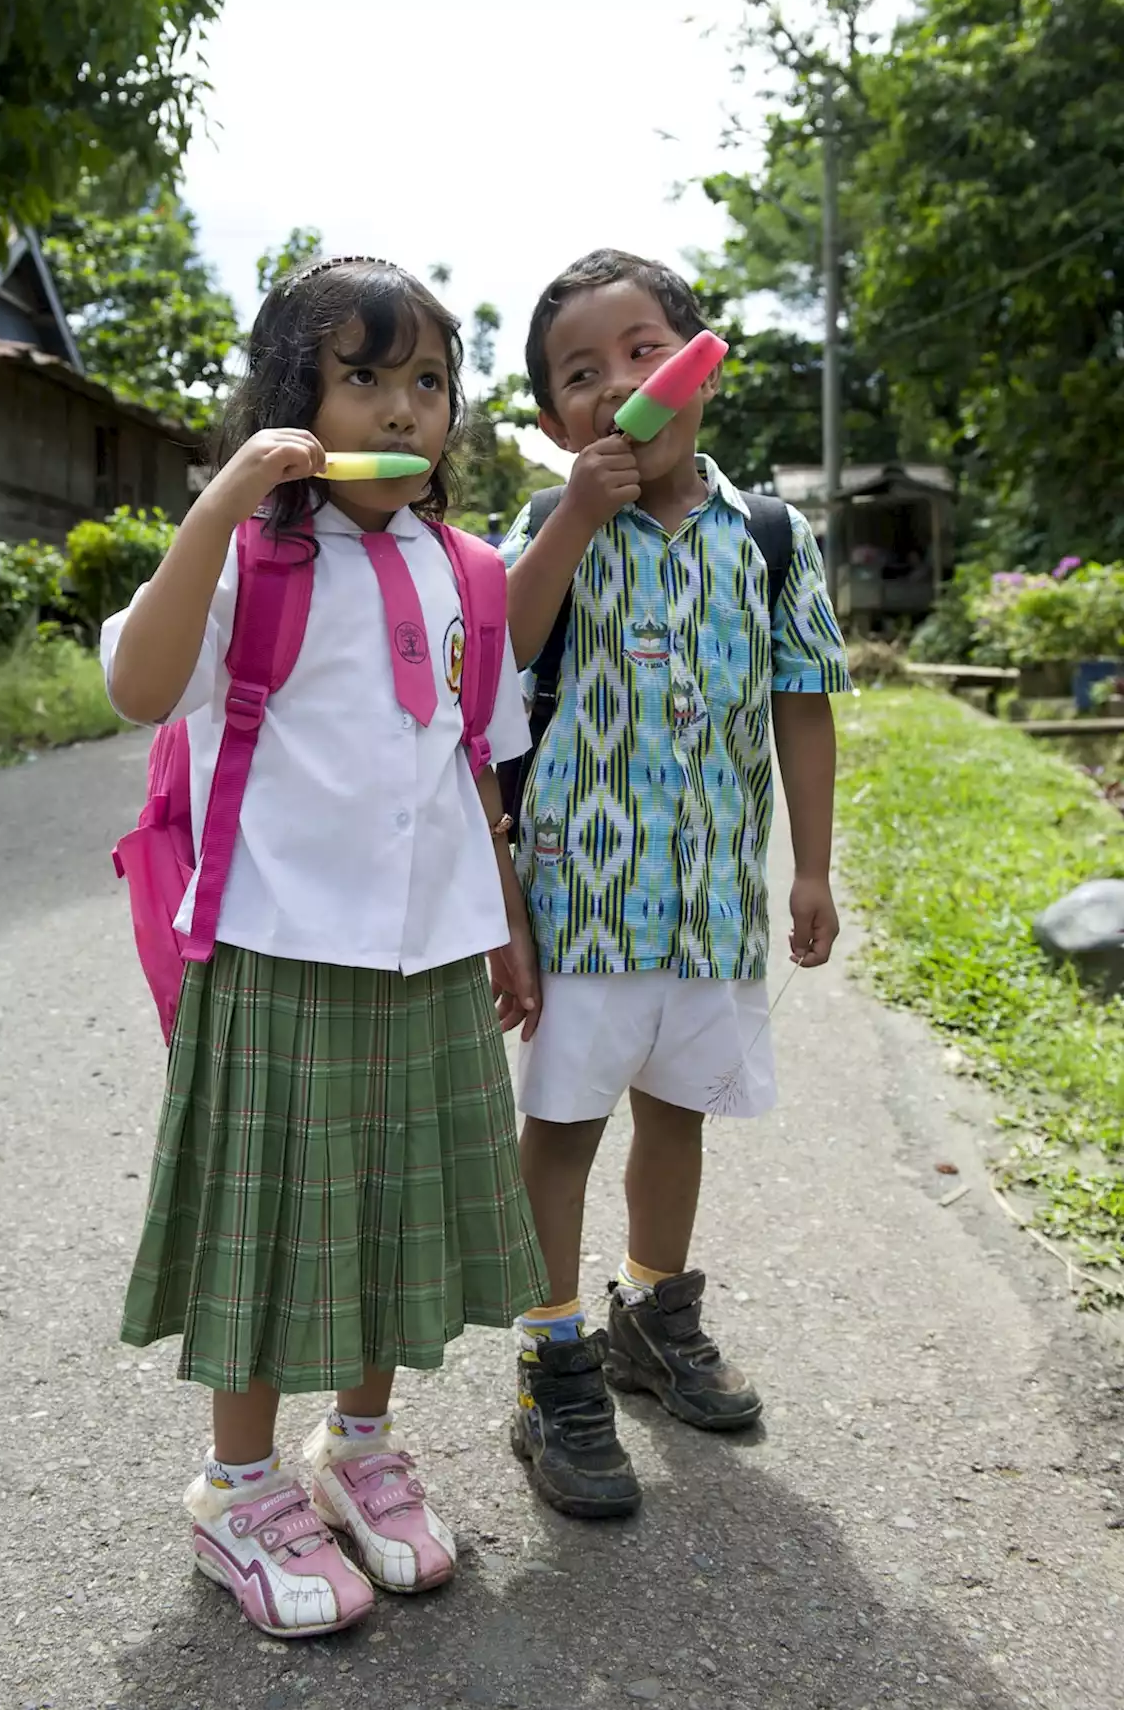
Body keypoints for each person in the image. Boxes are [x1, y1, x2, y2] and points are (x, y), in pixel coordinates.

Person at [101, 258, 546, 1637]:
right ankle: (237, 1487)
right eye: (365, 377)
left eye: (429, 385)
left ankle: (357, 1448)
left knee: (393, 1209)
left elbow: (474, 762)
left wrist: (511, 922)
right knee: (277, 1224)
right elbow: (137, 687)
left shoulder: (467, 568)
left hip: (432, 958)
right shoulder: (251, 557)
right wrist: (223, 498)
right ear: (295, 398)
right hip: (281, 951)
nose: (404, 411)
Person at [499, 249, 851, 1519]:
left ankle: (652, 1310)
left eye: (644, 350)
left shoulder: (766, 532)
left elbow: (801, 701)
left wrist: (809, 867)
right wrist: (578, 514)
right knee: (562, 1130)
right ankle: (550, 1356)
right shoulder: (547, 526)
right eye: (579, 375)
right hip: (579, 903)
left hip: (708, 905)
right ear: (550, 421)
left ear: (699, 365)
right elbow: (500, 657)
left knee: (677, 1112)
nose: (617, 386)